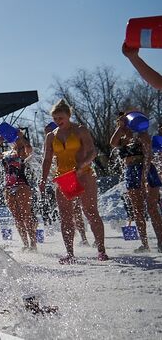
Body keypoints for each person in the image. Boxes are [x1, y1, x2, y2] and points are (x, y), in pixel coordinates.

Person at [39, 99, 107, 263]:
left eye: (61, 118)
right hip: (64, 177)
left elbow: (92, 152)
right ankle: (70, 253)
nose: (58, 121)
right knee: (66, 216)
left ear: (68, 116)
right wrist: (42, 179)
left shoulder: (80, 130)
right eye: (55, 119)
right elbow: (47, 160)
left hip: (83, 174)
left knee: (90, 211)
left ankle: (101, 250)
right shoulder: (51, 136)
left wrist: (82, 165)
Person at [110, 111, 162, 252]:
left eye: (125, 121)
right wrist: (121, 128)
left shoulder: (142, 135)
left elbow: (148, 156)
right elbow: (112, 142)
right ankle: (145, 244)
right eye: (120, 122)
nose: (123, 124)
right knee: (137, 210)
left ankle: (160, 241)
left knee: (152, 208)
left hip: (146, 170)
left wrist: (144, 175)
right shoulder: (122, 139)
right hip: (131, 171)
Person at [0, 132, 39, 250]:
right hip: (8, 187)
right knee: (17, 217)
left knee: (26, 215)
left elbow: (29, 150)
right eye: (13, 139)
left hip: (22, 185)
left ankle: (33, 244)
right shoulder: (6, 154)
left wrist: (21, 137)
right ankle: (25, 244)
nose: (14, 141)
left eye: (16, 139)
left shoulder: (24, 153)